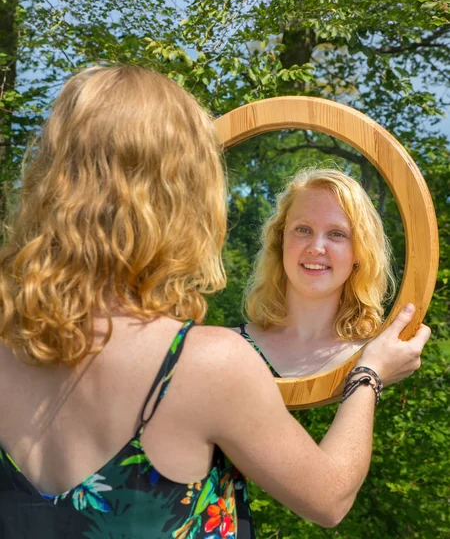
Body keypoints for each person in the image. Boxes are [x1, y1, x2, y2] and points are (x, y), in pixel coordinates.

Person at [0, 65, 429, 538]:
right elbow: (330, 498)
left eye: (337, 235)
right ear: (178, 193)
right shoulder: (209, 362)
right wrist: (370, 376)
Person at [239, 168, 396, 377]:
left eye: (336, 234)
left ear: (359, 252)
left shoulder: (384, 359)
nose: (316, 247)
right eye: (303, 229)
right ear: (281, 240)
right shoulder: (230, 349)